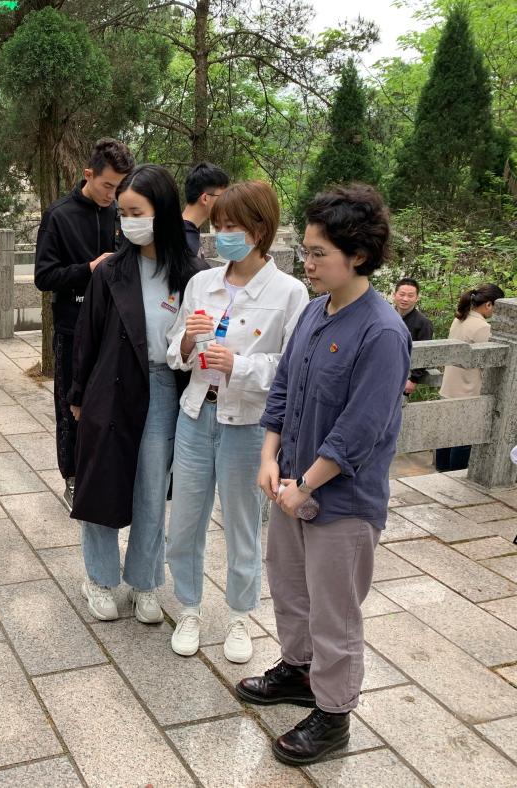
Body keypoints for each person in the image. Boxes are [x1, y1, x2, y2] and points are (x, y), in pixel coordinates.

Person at [237, 184, 411, 766]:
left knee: (335, 610)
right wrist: (269, 458)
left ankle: (334, 716)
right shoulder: (316, 310)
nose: (307, 264)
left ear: (357, 255)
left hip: (341, 501)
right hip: (290, 484)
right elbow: (284, 388)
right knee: (289, 587)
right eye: (306, 251)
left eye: (318, 253)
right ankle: (298, 670)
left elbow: (360, 430)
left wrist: (307, 484)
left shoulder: (383, 332)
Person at [165, 181, 309, 664]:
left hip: (247, 425)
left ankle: (239, 616)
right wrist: (189, 341)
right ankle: (188, 608)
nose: (222, 235)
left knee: (243, 525)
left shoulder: (289, 293)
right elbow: (175, 349)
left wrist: (240, 365)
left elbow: (291, 368)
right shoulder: (201, 283)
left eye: (233, 227)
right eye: (219, 226)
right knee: (185, 520)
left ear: (260, 229)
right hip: (195, 414)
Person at [67, 164, 208, 623]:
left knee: (151, 488)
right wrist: (77, 394)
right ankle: (100, 578)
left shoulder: (193, 274)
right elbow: (87, 337)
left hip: (163, 386)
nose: (129, 222)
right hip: (110, 385)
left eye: (137, 212)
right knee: (102, 481)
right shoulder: (111, 271)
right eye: (123, 213)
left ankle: (145, 582)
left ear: (161, 211)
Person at [35, 138, 135, 511]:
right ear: (88, 174)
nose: (113, 195)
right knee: (70, 407)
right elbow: (44, 276)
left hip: (115, 328)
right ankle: (73, 478)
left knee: (113, 404)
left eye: (119, 187)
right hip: (72, 327)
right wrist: (89, 270)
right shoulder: (59, 215)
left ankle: (107, 471)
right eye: (107, 185)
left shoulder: (122, 213)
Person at [435, 283, 506, 471]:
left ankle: (441, 471)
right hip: (467, 390)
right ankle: (455, 475)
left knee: (446, 435)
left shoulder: (459, 319)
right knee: (463, 439)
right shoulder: (482, 327)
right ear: (489, 304)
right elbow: (488, 363)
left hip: (449, 388)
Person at [392, 277, 433, 394]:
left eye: (410, 296)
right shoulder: (386, 317)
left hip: (406, 375)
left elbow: (425, 352)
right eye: (402, 294)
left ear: (417, 298)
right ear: (394, 295)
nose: (405, 299)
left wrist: (414, 379)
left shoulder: (423, 323)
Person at [182, 162, 230, 259]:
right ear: (205, 198)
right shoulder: (184, 242)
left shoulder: (186, 232)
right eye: (222, 197)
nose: (225, 203)